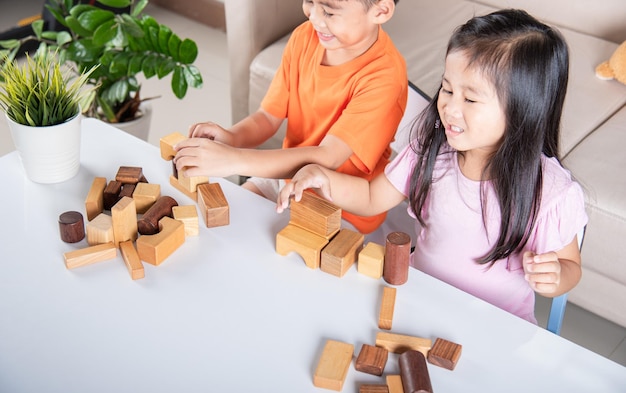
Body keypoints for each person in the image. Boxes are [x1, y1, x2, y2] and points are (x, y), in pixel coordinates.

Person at [276, 9, 588, 323]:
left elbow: (570, 267)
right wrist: (323, 178)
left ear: (524, 109)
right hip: (419, 300)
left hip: (497, 324)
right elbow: (372, 197)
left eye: (470, 99)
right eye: (448, 89)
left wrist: (557, 276)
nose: (450, 108)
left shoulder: (549, 190)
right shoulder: (432, 148)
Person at [174, 0, 407, 234]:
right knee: (221, 225)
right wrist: (231, 137)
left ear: (381, 10)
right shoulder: (305, 37)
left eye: (328, 11)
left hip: (343, 208)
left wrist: (233, 159)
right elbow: (267, 117)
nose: (313, 17)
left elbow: (326, 158)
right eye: (309, 1)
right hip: (286, 181)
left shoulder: (385, 78)